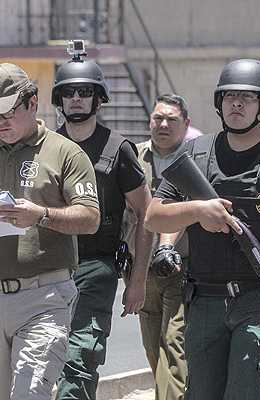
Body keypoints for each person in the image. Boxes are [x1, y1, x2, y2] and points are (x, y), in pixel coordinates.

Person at [144, 58, 260, 400]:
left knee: (251, 391)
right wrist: (197, 211)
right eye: (229, 97)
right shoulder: (195, 154)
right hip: (204, 300)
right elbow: (154, 215)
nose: (236, 104)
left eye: (247, 97)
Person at [51, 50, 153, 400]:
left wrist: (137, 281)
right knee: (41, 361)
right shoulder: (44, 147)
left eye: (84, 91)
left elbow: (145, 213)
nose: (76, 99)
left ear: (99, 98)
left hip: (96, 266)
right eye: (69, 92)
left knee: (82, 355)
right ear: (59, 99)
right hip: (48, 268)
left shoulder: (117, 149)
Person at [0, 63, 100, 399]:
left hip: (43, 298)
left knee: (29, 394)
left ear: (32, 102)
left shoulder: (65, 152)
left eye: (7, 112)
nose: (1, 122)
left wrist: (41, 215)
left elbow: (90, 218)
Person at [132, 94, 191, 400]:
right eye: (158, 118)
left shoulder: (197, 159)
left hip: (183, 271)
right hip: (143, 273)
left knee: (174, 346)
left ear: (186, 125)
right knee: (154, 351)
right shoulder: (133, 157)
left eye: (172, 120)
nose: (164, 125)